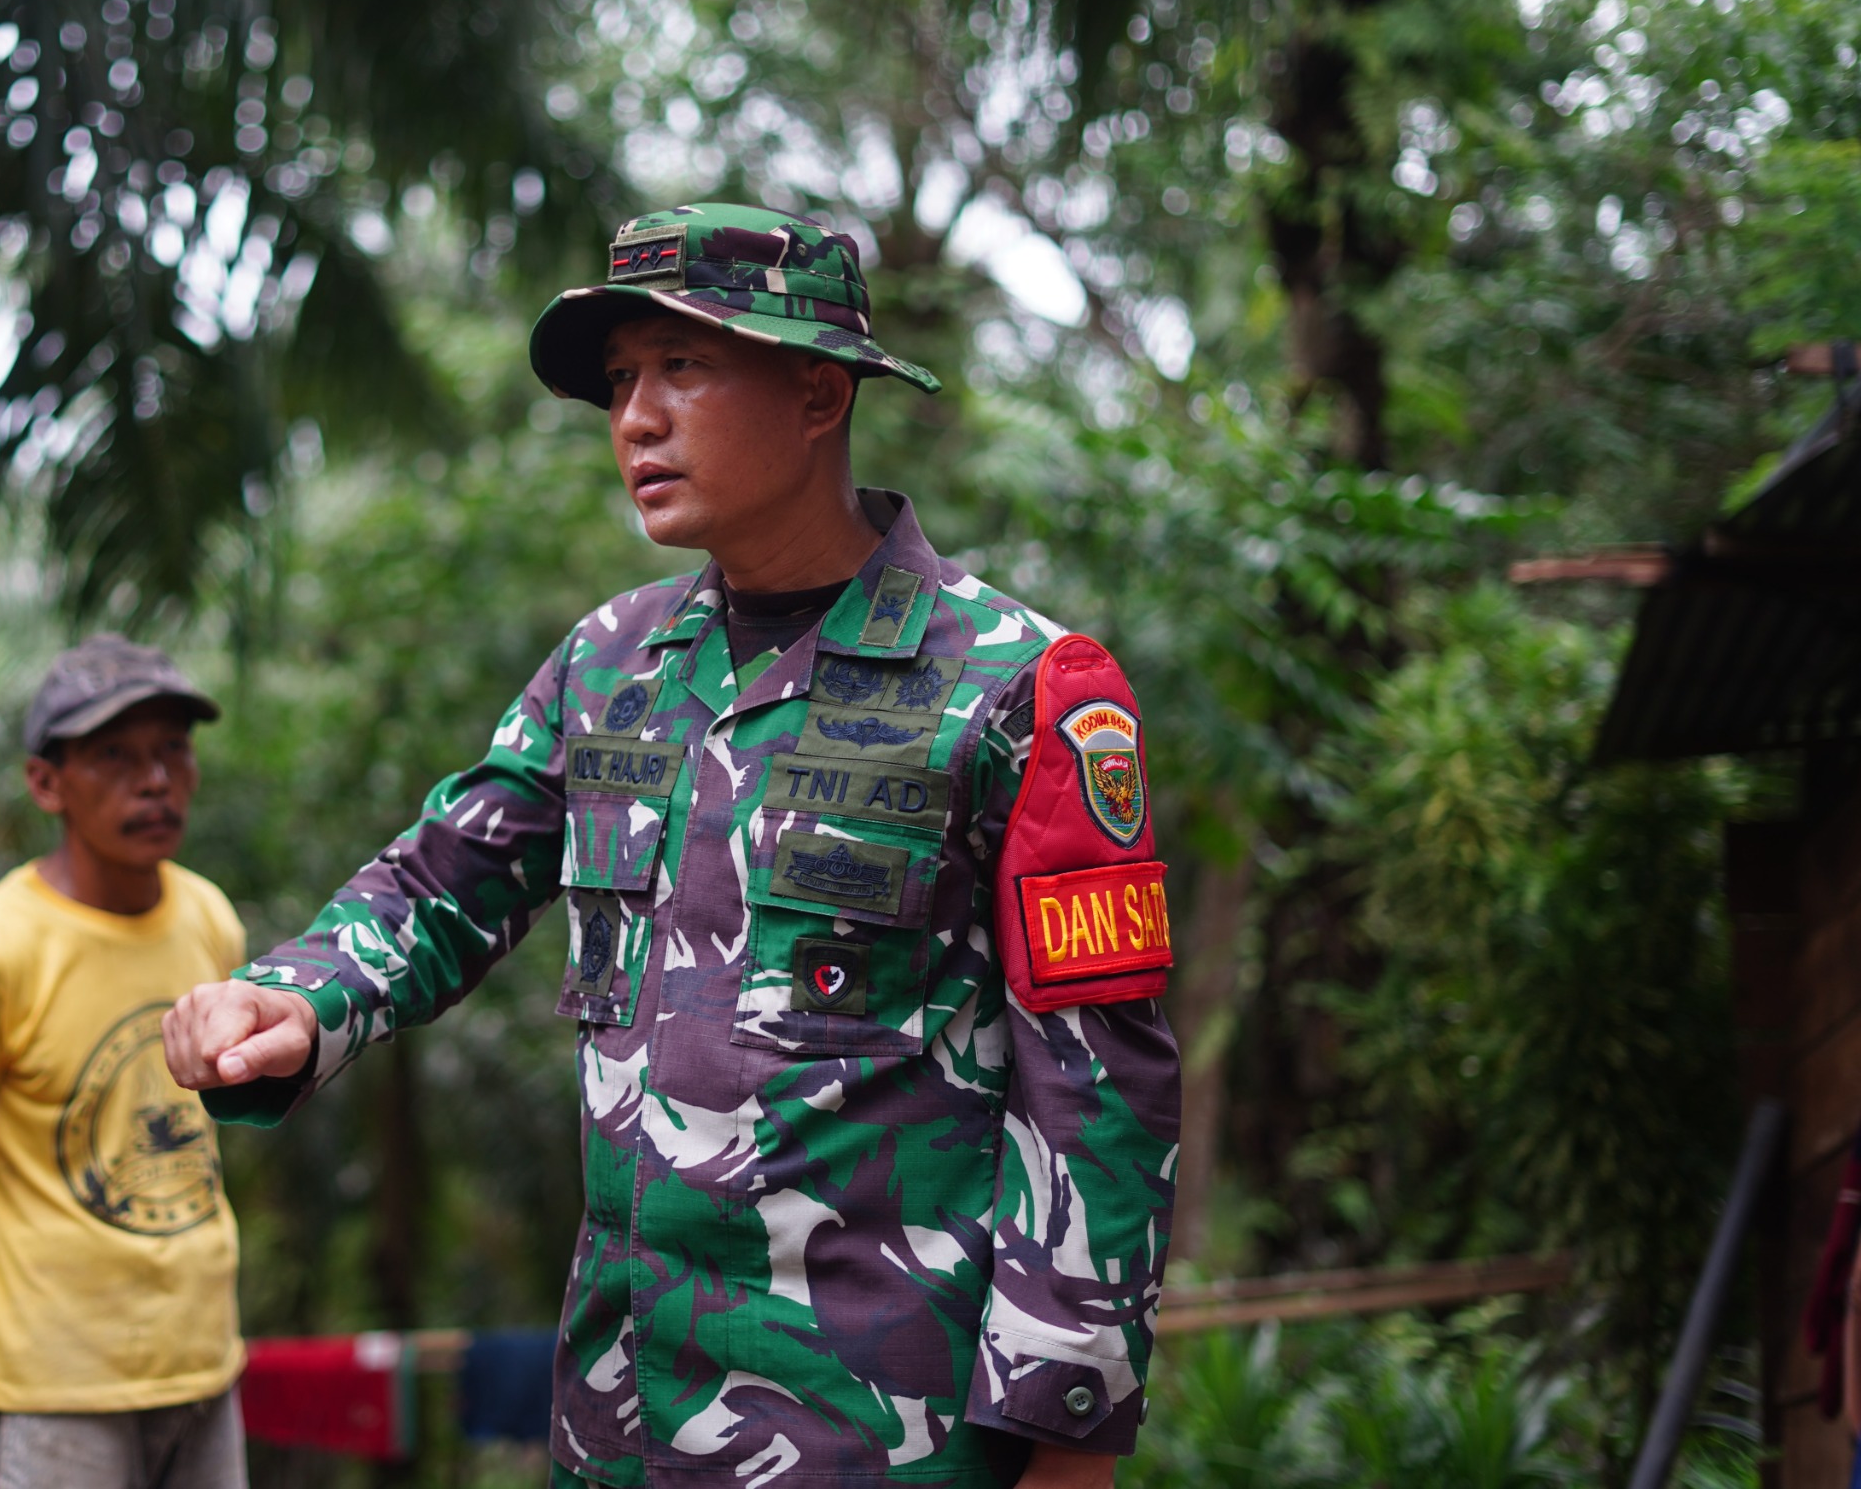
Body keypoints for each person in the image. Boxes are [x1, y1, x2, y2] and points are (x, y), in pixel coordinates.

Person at [166, 203, 1183, 1488]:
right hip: (622, 1421)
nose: (635, 418)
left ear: (819, 393)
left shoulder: (1015, 685)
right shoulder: (610, 664)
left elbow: (1097, 1096)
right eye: (619, 382)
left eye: (683, 367)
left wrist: (1067, 1441)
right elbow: (443, 882)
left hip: (881, 1434)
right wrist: (294, 998)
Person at [0, 636, 248, 1489]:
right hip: (49, 1384)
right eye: (114, 756)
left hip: (200, 1358)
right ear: (46, 783)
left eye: (171, 750)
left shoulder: (209, 918)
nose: (154, 779)